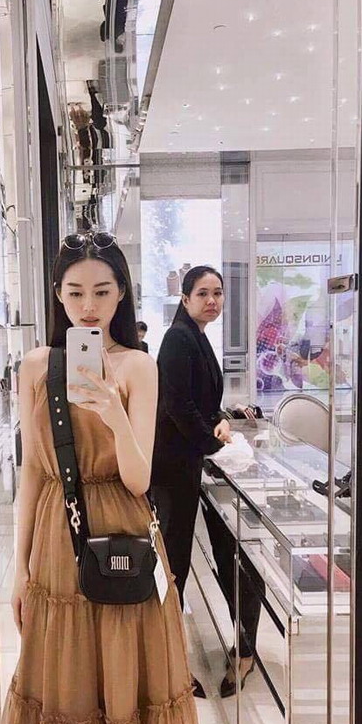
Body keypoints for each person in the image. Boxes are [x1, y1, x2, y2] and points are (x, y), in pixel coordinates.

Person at [0, 231, 202, 724]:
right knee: (52, 687)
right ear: (58, 295)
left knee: (121, 688)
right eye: (75, 292)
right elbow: (32, 471)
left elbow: (139, 479)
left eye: (102, 292)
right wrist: (19, 568)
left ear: (121, 294)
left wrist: (113, 411)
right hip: (57, 538)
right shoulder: (36, 366)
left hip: (124, 534)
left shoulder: (139, 366)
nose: (89, 306)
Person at [150, 266, 232, 699]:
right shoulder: (179, 338)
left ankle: (170, 657)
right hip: (170, 468)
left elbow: (200, 401)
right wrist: (212, 445)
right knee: (172, 563)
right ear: (185, 298)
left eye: (217, 292)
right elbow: (177, 405)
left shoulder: (195, 336)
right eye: (202, 293)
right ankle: (167, 666)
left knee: (177, 560)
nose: (211, 300)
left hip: (183, 464)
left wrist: (218, 421)